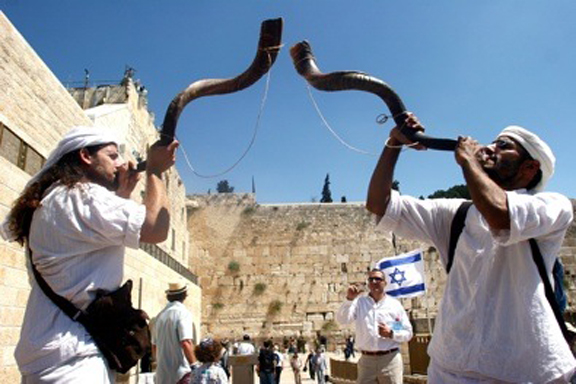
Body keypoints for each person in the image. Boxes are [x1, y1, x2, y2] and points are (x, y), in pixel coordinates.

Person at [366, 112, 576, 383]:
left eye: (504, 146)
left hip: (526, 373)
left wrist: (468, 161)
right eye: (493, 142)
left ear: (529, 168)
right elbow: (378, 205)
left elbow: (501, 217)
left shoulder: (552, 208)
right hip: (450, 369)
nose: (490, 148)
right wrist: (393, 143)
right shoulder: (456, 216)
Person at [0, 126, 177, 383]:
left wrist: (122, 195)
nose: (121, 163)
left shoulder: (55, 199)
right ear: (85, 156)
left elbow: (94, 242)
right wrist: (156, 171)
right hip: (74, 363)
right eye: (112, 155)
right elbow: (155, 227)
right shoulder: (82, 196)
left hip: (50, 359)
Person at [336, 269, 412, 384]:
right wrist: (349, 299)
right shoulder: (359, 303)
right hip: (366, 361)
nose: (374, 281)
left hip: (389, 360)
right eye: (371, 279)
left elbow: (407, 333)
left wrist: (391, 333)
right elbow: (342, 320)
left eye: (378, 279)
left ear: (385, 283)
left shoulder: (394, 306)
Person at [153, 282, 197, 384]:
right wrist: (195, 365)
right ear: (184, 295)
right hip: (180, 374)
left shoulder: (159, 316)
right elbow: (186, 342)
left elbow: (154, 346)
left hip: (162, 376)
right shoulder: (183, 313)